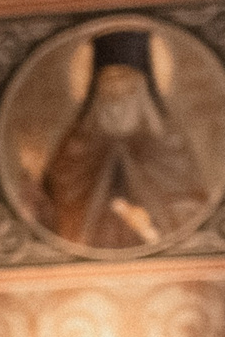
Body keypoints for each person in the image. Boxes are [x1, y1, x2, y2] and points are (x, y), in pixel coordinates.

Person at [34, 27, 211, 251]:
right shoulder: (74, 150)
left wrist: (150, 224)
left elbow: (192, 214)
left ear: (143, 90)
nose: (116, 91)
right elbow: (50, 216)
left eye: (126, 81)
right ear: (95, 90)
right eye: (108, 81)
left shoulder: (168, 149)